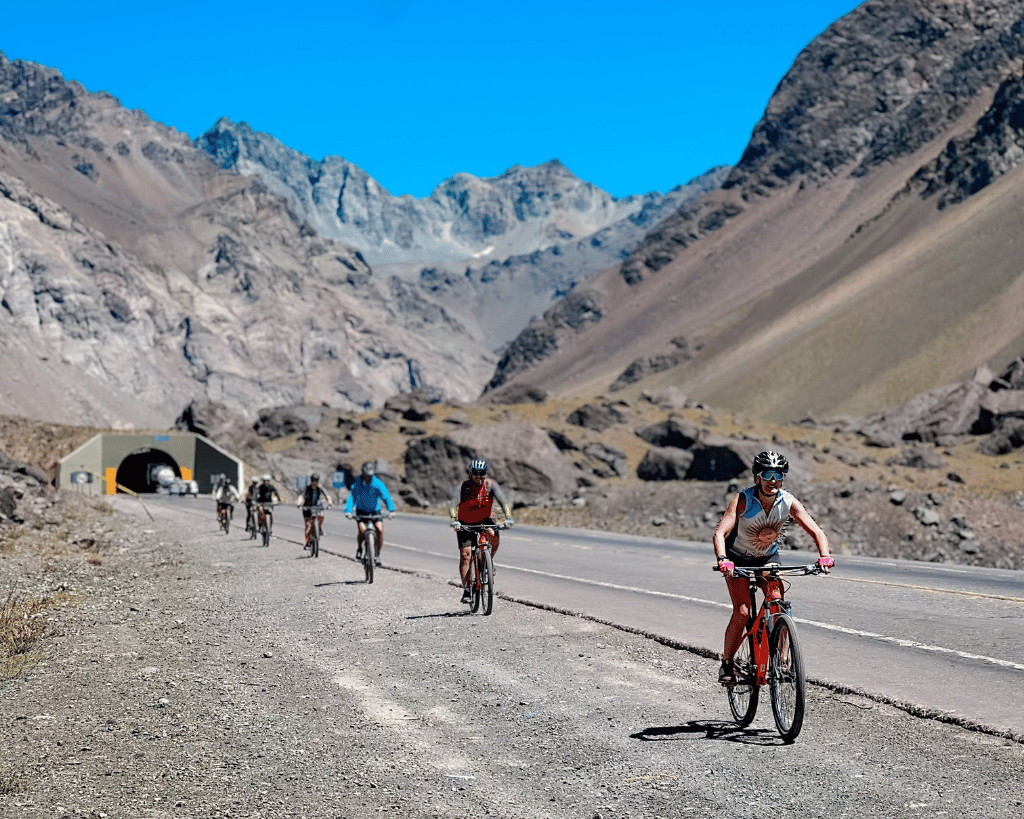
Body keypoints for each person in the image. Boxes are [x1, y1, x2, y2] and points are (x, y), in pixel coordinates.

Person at [711, 450, 833, 684]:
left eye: (778, 475)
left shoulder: (788, 501)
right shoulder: (744, 500)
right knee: (743, 611)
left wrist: (824, 556)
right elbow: (720, 533)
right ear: (758, 477)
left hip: (767, 558)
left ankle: (783, 661)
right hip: (737, 559)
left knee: (778, 608)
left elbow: (816, 531)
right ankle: (727, 663)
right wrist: (723, 559)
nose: (773, 481)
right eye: (767, 475)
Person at [449, 459, 513, 604]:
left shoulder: (490, 485)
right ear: (470, 473)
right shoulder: (463, 487)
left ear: (486, 474)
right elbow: (453, 504)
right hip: (465, 523)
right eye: (475, 473)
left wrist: (508, 518)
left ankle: (489, 560)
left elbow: (504, 502)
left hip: (484, 520)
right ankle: (466, 590)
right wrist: (454, 520)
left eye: (481, 473)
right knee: (466, 555)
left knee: (493, 534)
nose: (478, 476)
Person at [344, 463, 396, 566]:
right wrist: (348, 511)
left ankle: (377, 555)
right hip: (361, 511)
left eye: (371, 476)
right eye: (367, 476)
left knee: (379, 530)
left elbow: (386, 497)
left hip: (375, 511)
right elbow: (352, 497)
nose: (369, 478)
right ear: (363, 474)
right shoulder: (358, 483)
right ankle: (359, 548)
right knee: (362, 530)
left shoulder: (377, 483)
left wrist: (391, 510)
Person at [296, 473, 333, 549]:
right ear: (311, 481)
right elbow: (301, 496)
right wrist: (299, 504)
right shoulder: (307, 488)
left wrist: (329, 503)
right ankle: (308, 542)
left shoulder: (320, 488)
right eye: (313, 481)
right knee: (308, 526)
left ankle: (319, 527)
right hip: (307, 508)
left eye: (316, 481)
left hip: (316, 507)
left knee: (321, 515)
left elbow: (327, 496)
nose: (314, 482)